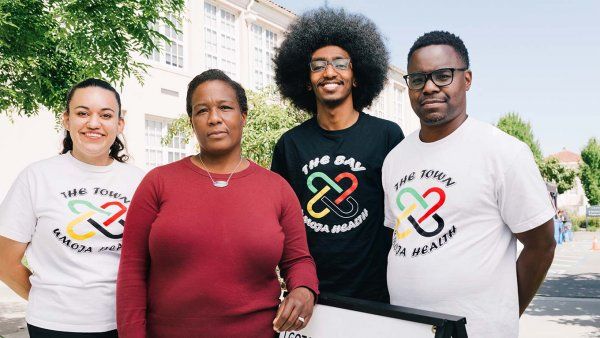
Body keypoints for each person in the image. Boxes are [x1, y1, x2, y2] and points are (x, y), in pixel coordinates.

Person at [116, 69, 318, 337]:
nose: (214, 118)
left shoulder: (277, 189)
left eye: (225, 107)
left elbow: (298, 260)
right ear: (191, 121)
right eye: (202, 111)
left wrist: (304, 288)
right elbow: (132, 268)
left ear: (243, 116)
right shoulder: (157, 183)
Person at [382, 31, 556, 337]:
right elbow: (400, 237)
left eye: (443, 75)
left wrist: (501, 316)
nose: (430, 87)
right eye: (418, 79)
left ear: (468, 79)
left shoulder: (503, 152)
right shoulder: (395, 159)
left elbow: (541, 245)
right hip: (406, 328)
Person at [271, 7, 404, 303]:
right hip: (311, 296)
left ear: (357, 76)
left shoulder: (388, 136)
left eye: (341, 64)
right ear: (306, 80)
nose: (329, 72)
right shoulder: (289, 145)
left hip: (378, 296)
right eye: (318, 66)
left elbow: (402, 219)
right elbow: (281, 224)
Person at [0, 79, 144, 337]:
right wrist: (49, 299)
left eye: (106, 115)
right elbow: (5, 262)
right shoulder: (36, 177)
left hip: (122, 323)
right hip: (52, 325)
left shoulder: (140, 182)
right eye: (82, 113)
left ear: (119, 124)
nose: (93, 123)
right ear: (66, 120)